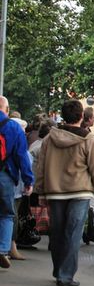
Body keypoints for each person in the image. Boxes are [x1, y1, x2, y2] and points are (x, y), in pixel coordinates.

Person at [34, 99, 94, 286]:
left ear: (63, 115)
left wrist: (41, 192)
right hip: (80, 192)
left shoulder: (49, 139)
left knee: (57, 233)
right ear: (81, 116)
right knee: (73, 233)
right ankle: (65, 275)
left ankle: (59, 269)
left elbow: (41, 167)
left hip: (55, 192)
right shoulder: (88, 139)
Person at [0, 96, 34, 269]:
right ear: (7, 109)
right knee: (6, 214)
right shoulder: (14, 127)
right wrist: (28, 180)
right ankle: (3, 250)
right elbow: (22, 157)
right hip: (5, 176)